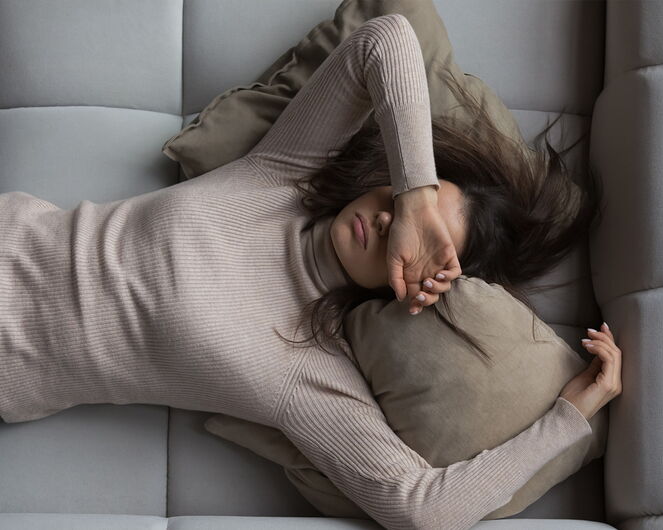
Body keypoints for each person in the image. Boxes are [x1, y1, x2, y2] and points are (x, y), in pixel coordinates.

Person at [0, 13, 621, 529]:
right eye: (407, 207)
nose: (389, 223)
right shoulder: (283, 175)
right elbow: (387, 39)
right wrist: (416, 198)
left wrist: (566, 419)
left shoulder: (306, 373)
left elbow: (422, 509)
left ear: (424, 289)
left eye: (423, 246)